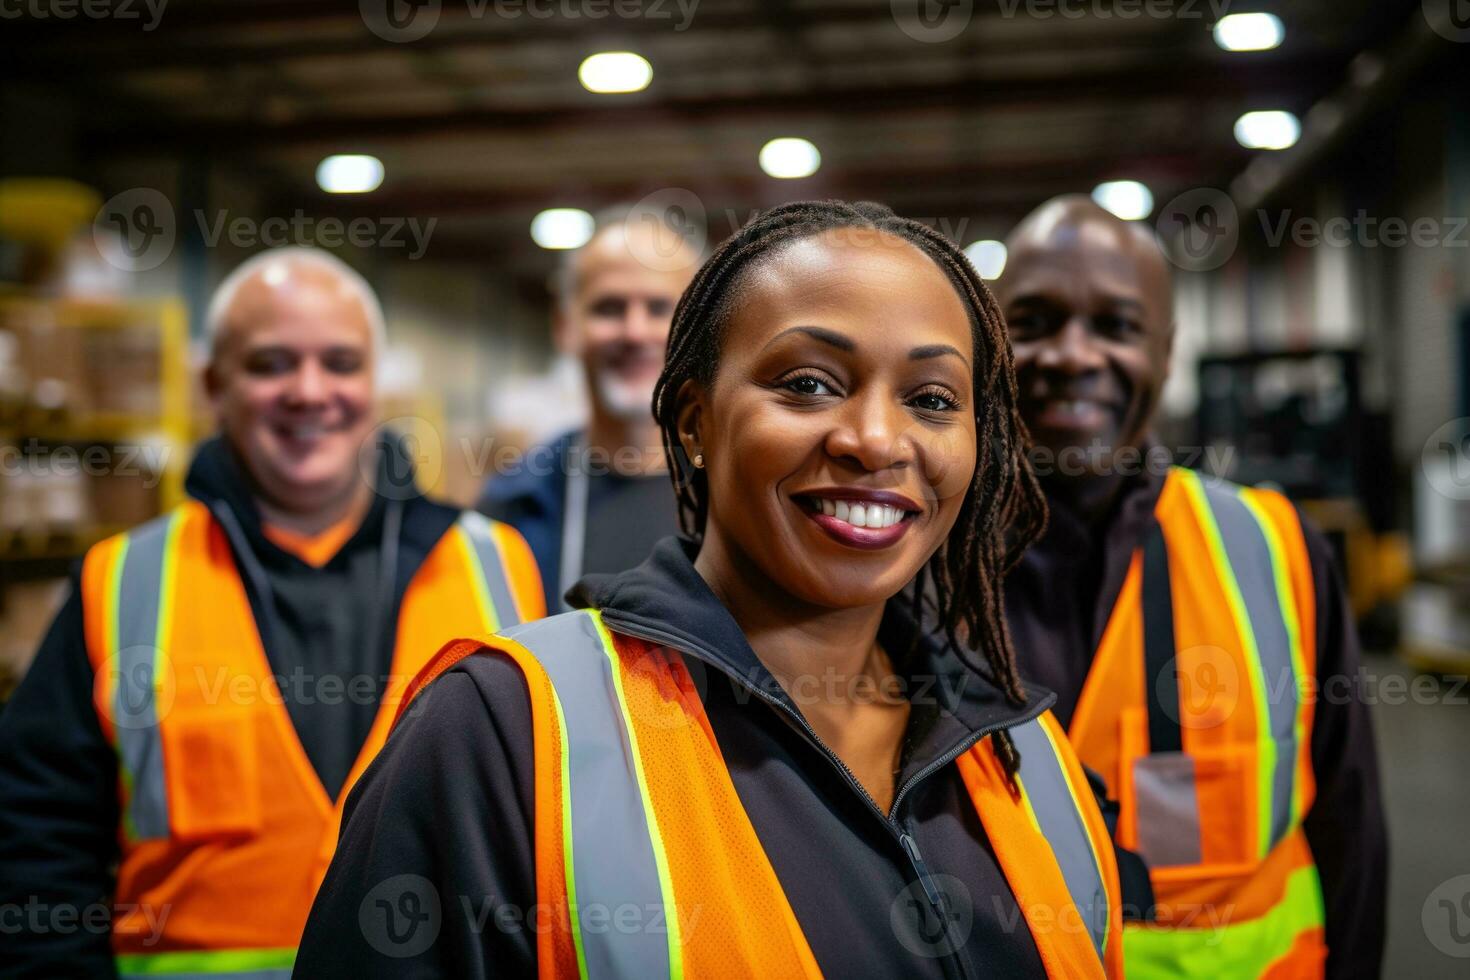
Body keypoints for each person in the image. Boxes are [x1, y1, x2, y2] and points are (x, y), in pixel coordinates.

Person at [297, 201, 1126, 978]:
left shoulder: (1029, 758)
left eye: (933, 399)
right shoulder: (499, 732)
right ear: (693, 421)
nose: (876, 439)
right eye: (807, 384)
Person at [0, 247, 545, 977]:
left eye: (340, 363)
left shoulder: (497, 566)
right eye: (271, 364)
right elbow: (36, 839)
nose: (309, 391)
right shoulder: (122, 581)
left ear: (375, 384)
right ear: (213, 384)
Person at [996, 195, 1388, 978]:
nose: (1072, 355)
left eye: (1116, 326)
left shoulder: (1273, 551)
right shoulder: (909, 564)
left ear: (1166, 354)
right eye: (1032, 323)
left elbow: (1351, 828)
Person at [479, 209, 700, 613]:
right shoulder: (511, 510)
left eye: (658, 308)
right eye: (610, 308)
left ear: (697, 328)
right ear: (566, 326)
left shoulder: (745, 493)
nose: (635, 332)